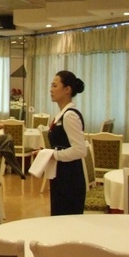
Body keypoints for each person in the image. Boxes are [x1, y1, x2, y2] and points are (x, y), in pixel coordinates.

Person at [45, 70, 87, 216]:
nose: (51, 90)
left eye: (55, 86)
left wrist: (54, 155)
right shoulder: (61, 114)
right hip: (60, 174)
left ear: (67, 89)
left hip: (70, 178)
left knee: (67, 219)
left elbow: (80, 150)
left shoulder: (69, 115)